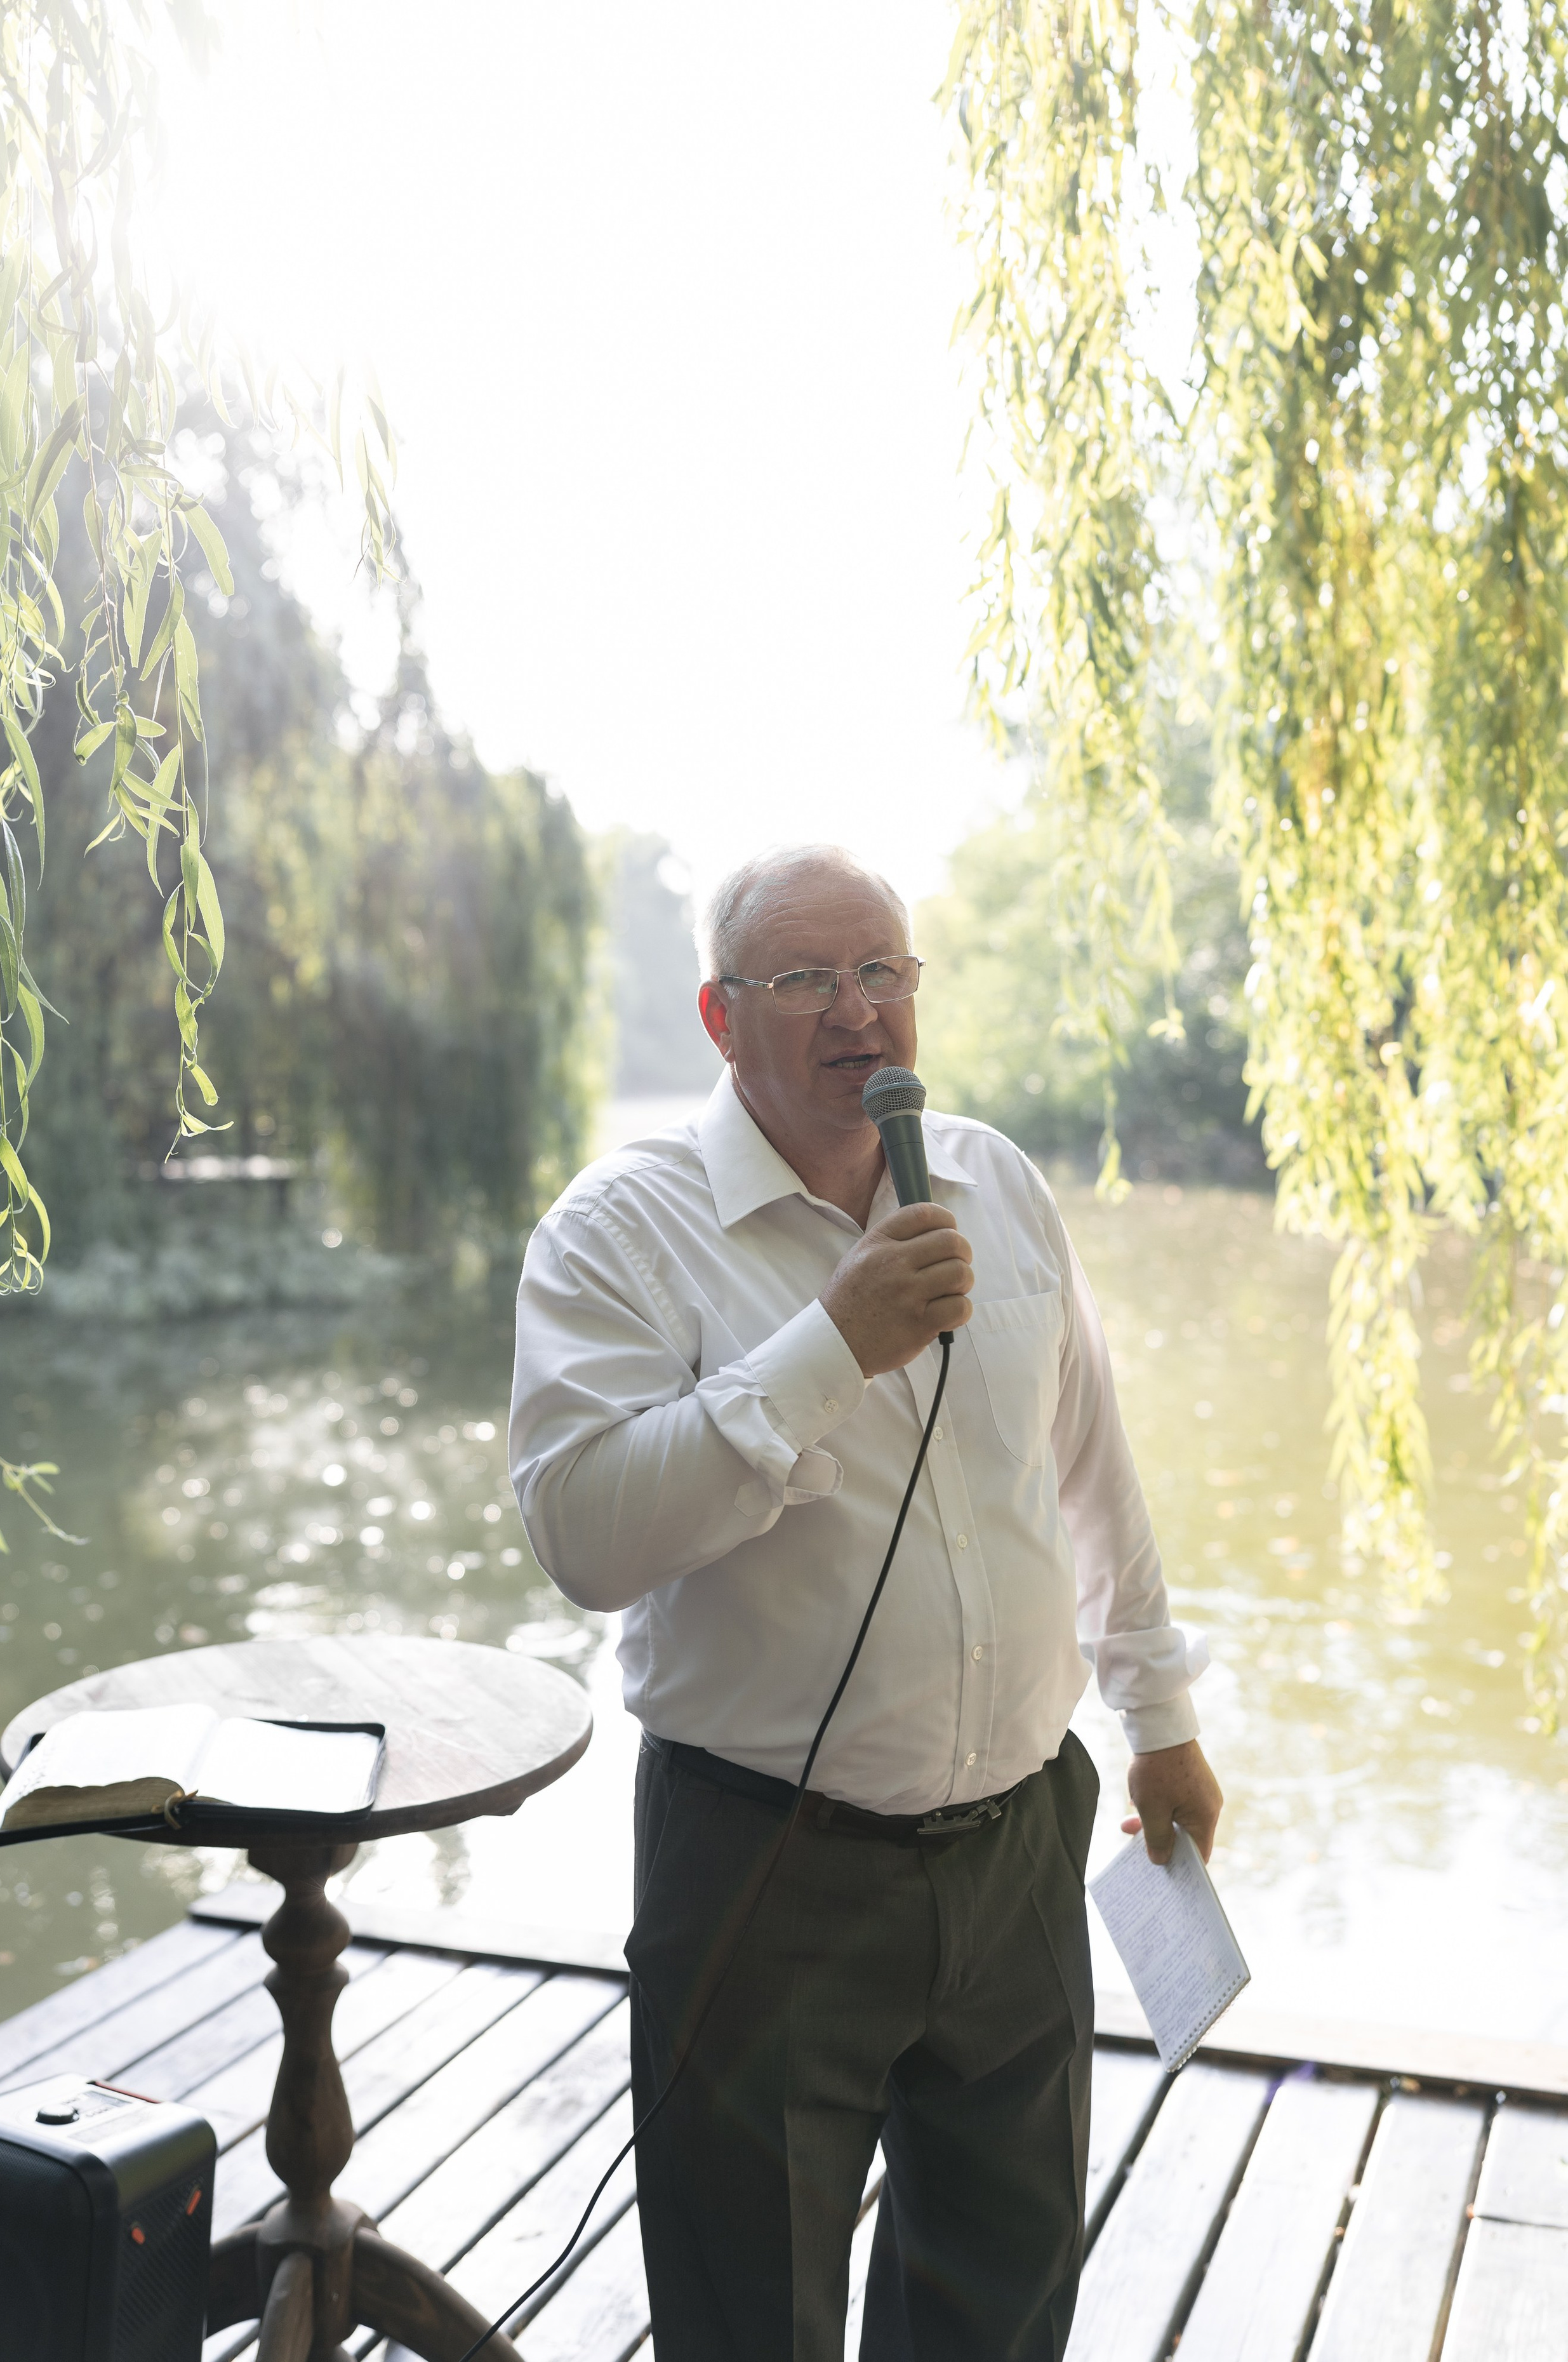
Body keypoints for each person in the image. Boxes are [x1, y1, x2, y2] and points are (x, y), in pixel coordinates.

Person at [508, 844, 1221, 2362]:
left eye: (884, 971)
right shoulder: (615, 1233)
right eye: (806, 981)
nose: (859, 1013)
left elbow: (1088, 1468)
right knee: (749, 2314)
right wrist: (829, 1345)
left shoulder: (997, 1183)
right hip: (769, 1867)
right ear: (717, 1018)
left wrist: (1157, 1717)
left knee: (999, 2302)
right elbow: (582, 1535)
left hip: (1018, 1852)